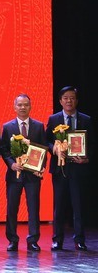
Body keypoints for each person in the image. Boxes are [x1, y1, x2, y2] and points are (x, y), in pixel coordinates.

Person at [46, 86, 95, 251]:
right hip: (59, 169)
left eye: (72, 98)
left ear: (77, 100)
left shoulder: (86, 120)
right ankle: (57, 240)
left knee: (78, 206)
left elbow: (92, 143)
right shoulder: (54, 119)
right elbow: (47, 141)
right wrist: (55, 149)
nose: (69, 101)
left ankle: (79, 239)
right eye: (66, 98)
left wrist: (87, 158)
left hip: (79, 169)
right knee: (59, 206)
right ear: (60, 101)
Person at [0, 94, 45, 252]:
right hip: (14, 175)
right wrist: (11, 164)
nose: (23, 107)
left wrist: (41, 167)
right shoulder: (8, 127)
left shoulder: (39, 126)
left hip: (33, 175)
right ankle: (12, 240)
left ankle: (33, 240)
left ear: (30, 107)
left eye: (26, 104)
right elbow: (4, 149)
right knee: (12, 208)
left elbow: (43, 149)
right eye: (20, 105)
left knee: (33, 208)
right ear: (15, 107)